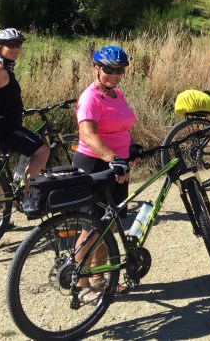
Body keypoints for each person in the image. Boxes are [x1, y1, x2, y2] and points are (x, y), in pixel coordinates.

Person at [72, 45, 135, 304]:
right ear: (96, 68)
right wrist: (113, 158)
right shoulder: (91, 98)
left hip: (117, 166)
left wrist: (131, 149)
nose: (115, 75)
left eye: (119, 71)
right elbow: (88, 135)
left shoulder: (116, 94)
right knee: (91, 226)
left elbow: (120, 127)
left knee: (108, 224)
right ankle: (80, 283)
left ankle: (98, 277)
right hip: (95, 165)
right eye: (109, 69)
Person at [0, 28, 50, 225]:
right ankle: (28, 200)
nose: (15, 49)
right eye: (10, 45)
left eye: (18, 45)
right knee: (42, 150)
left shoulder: (1, 66)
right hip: (1, 126)